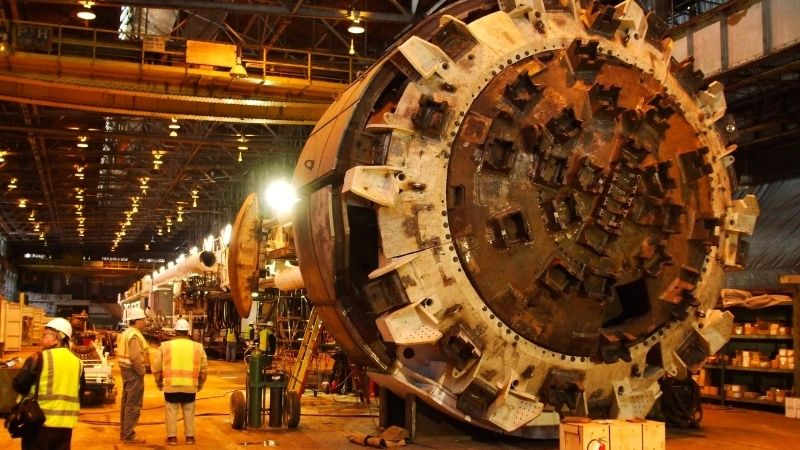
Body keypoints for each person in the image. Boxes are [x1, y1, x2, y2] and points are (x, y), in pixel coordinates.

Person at [12, 317, 85, 450]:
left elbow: (19, 385)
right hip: (65, 427)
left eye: (45, 335)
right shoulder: (78, 362)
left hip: (38, 423)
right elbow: (81, 392)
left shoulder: (39, 358)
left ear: (56, 338)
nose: (42, 339)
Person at [152, 319, 207, 446]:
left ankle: (172, 438)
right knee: (189, 411)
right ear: (188, 331)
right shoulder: (198, 347)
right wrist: (200, 383)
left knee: (171, 411)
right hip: (190, 386)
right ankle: (190, 437)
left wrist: (159, 382)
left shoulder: (165, 346)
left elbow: (156, 367)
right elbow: (204, 369)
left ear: (175, 331)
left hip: (171, 385)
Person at [117, 307, 149, 444]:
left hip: (126, 370)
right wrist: (142, 371)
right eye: (143, 319)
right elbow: (136, 357)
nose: (145, 322)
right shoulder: (134, 335)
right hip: (133, 371)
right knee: (133, 403)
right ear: (137, 320)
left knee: (127, 402)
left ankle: (125, 432)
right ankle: (128, 434)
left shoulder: (127, 332)